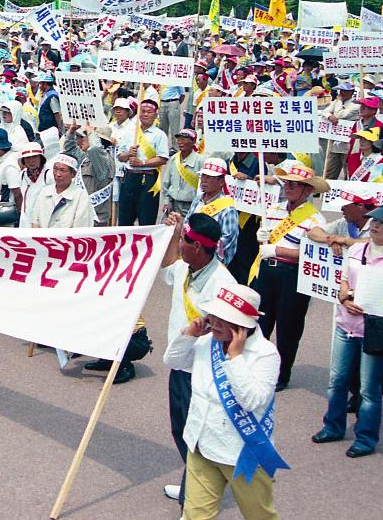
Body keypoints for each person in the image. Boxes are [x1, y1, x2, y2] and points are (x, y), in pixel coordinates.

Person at [163, 284, 286, 519]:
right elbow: (173, 361)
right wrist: (188, 336)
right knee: (194, 516)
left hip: (241, 454)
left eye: (224, 319)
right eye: (214, 316)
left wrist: (235, 358)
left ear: (244, 325)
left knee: (259, 515)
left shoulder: (265, 354)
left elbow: (253, 400)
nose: (215, 323)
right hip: (201, 445)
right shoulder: (205, 342)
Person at [312, 205, 383, 458]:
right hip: (346, 324)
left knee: (369, 389)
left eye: (382, 223)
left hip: (373, 330)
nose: (375, 225)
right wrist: (344, 297)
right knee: (337, 381)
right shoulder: (357, 249)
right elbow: (344, 279)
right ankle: (332, 426)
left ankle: (366, 438)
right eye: (373, 220)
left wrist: (354, 298)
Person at [157, 212, 237, 507]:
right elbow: (167, 265)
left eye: (184, 241)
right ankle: (190, 482)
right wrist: (175, 231)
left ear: (200, 248)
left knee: (198, 437)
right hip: (180, 362)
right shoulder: (185, 268)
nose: (180, 245)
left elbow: (230, 332)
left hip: (202, 372)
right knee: (180, 429)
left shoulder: (222, 283)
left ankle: (196, 500)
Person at [251, 163, 327, 391]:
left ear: (307, 190)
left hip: (292, 275)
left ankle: (282, 374)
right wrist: (261, 237)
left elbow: (312, 255)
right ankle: (258, 368)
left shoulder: (315, 220)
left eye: (295, 184)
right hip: (266, 271)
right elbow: (266, 242)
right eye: (288, 183)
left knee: (288, 328)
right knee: (260, 322)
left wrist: (278, 251)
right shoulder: (273, 210)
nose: (289, 188)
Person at [116, 98, 169, 226]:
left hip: (148, 178)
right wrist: (128, 154)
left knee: (146, 218)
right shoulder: (130, 131)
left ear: (155, 115)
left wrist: (142, 163)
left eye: (149, 112)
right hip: (129, 177)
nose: (145, 114)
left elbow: (163, 158)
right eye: (143, 111)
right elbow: (120, 156)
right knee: (125, 218)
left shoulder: (159, 135)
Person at [186, 158, 240, 268]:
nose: (204, 180)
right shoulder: (197, 200)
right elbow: (187, 223)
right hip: (191, 257)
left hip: (212, 264)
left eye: (209, 177)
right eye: (203, 176)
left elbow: (227, 241)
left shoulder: (228, 209)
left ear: (221, 182)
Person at [161, 129, 202, 217]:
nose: (180, 142)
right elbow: (166, 183)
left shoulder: (200, 161)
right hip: (173, 204)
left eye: (184, 139)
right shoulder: (174, 159)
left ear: (193, 141)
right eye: (179, 139)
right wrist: (166, 202)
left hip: (190, 205)